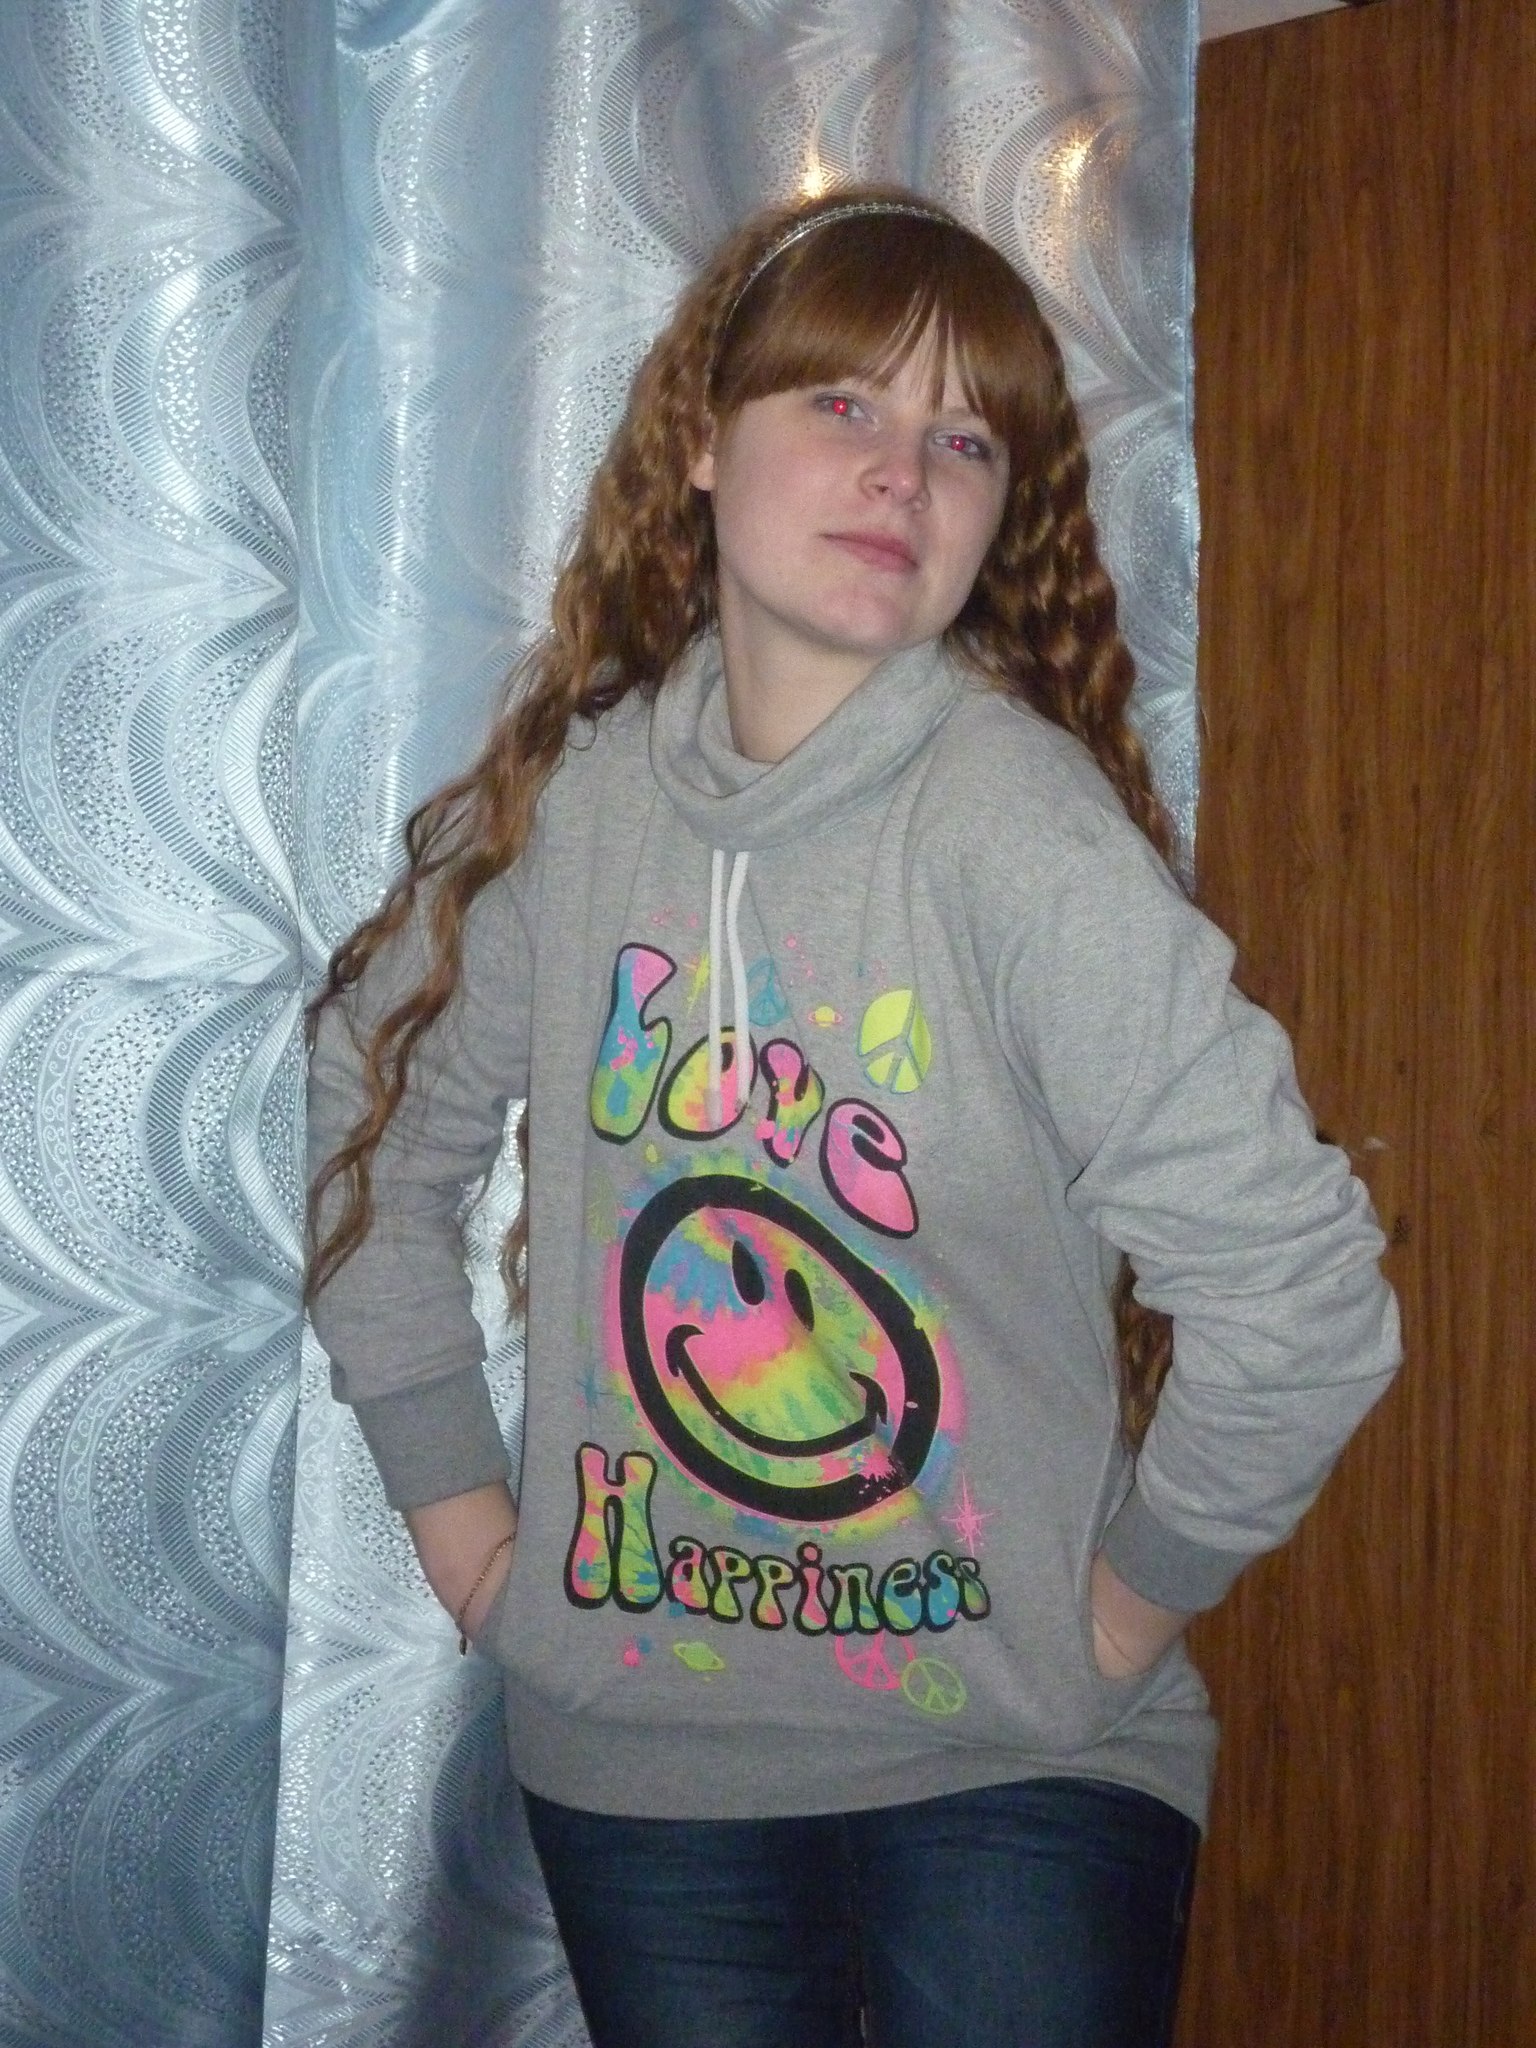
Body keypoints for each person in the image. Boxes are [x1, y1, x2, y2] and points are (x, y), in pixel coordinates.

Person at [305, 186, 1401, 2048]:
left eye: (965, 441)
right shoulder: (569, 816)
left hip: (1012, 1774)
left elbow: (1298, 1294)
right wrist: (460, 1524)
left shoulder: (1015, 829)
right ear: (701, 442)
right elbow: (371, 1126)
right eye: (843, 404)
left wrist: (1120, 1618)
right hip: (642, 1773)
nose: (904, 470)